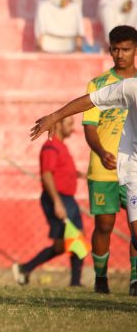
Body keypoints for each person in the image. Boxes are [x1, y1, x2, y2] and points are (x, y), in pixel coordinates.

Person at [30, 60, 137, 298]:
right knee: (105, 227)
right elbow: (91, 100)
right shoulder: (131, 87)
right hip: (132, 169)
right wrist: (55, 116)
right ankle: (100, 278)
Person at [82, 24, 137, 295]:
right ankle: (101, 278)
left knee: (135, 227)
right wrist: (101, 151)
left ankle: (135, 280)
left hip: (133, 167)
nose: (120, 54)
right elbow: (89, 127)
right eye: (115, 49)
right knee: (104, 225)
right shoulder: (98, 83)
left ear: (135, 50)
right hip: (104, 167)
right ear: (109, 50)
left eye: (126, 49)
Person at [12, 116, 84, 287]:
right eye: (69, 124)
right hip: (57, 198)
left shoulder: (62, 146)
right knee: (64, 243)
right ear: (57, 124)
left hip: (68, 199)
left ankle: (75, 283)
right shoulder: (51, 147)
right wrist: (57, 202)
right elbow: (47, 175)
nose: (72, 128)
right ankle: (25, 268)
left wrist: (78, 174)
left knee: (75, 240)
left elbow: (61, 171)